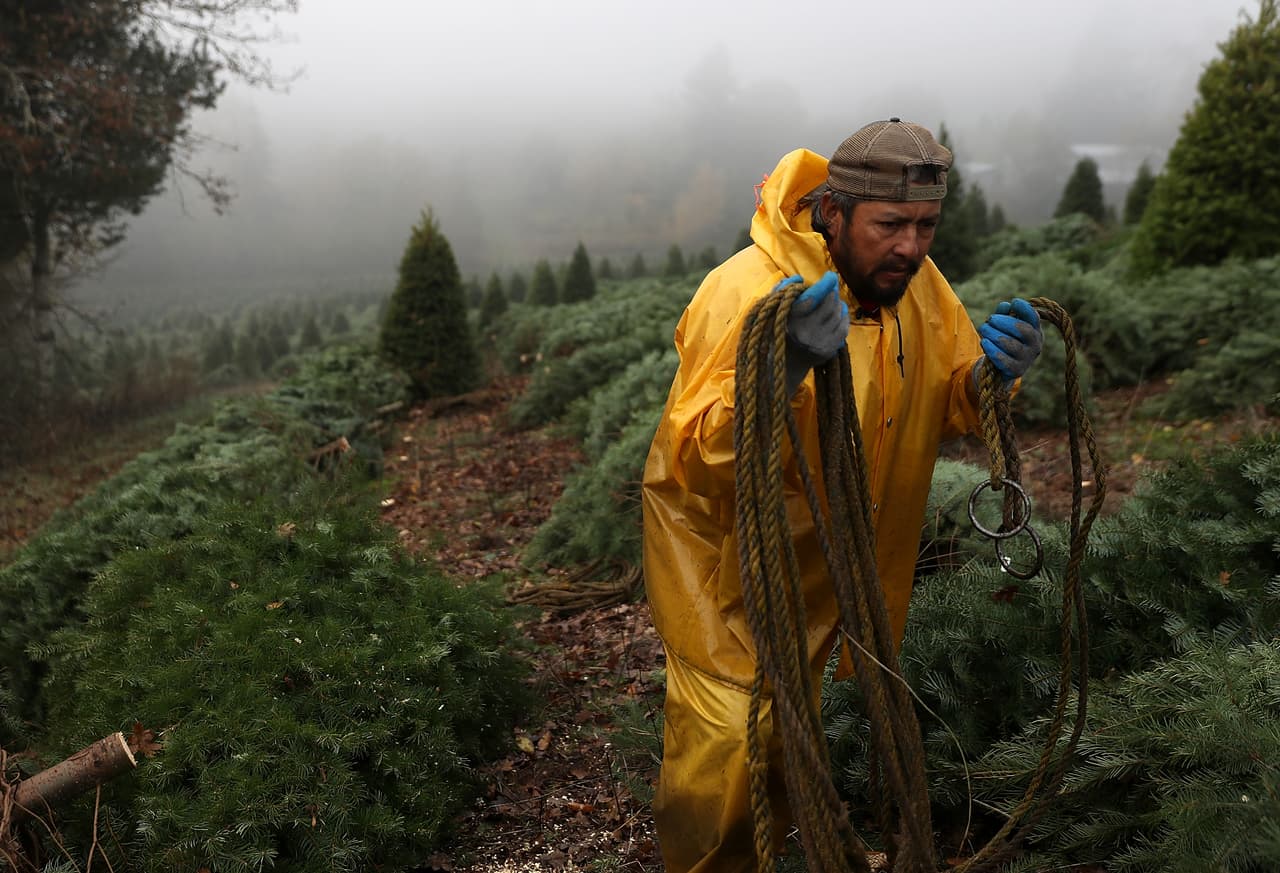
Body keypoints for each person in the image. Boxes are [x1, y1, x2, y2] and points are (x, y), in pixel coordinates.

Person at [640, 118, 1044, 872]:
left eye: (926, 225)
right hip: (729, 568)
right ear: (832, 211)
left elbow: (952, 394)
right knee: (728, 744)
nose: (911, 246)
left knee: (795, 725)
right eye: (890, 224)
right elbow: (693, 456)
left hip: (837, 566)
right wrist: (782, 364)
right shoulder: (744, 293)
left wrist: (995, 374)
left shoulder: (917, 289)